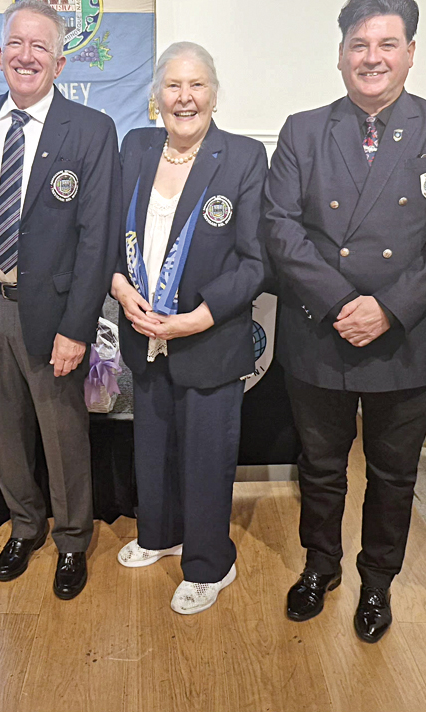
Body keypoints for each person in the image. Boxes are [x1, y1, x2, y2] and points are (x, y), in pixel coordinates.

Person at [263, 0, 426, 642]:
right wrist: (341, 303)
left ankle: (378, 580)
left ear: (411, 53)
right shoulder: (304, 129)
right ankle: (320, 565)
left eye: (387, 43)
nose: (372, 57)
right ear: (340, 55)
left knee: (393, 474)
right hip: (321, 330)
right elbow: (281, 228)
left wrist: (387, 308)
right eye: (358, 44)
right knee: (320, 467)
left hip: (404, 337)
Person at [0, 0, 120, 598]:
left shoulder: (91, 130)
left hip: (53, 312)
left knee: (62, 431)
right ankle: (25, 526)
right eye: (16, 45)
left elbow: (98, 240)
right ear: (0, 55)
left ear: (60, 61)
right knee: (5, 427)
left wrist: (77, 327)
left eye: (40, 47)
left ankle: (72, 539)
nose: (26, 57)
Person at [111, 42, 267, 614]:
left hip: (209, 337)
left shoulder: (244, 156)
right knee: (152, 445)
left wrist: (198, 318)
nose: (185, 98)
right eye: (173, 86)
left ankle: (209, 564)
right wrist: (119, 286)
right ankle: (159, 534)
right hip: (144, 330)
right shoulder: (135, 146)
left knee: (205, 458)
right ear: (156, 96)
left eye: (196, 85)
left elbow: (256, 261)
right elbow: (109, 231)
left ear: (214, 95)